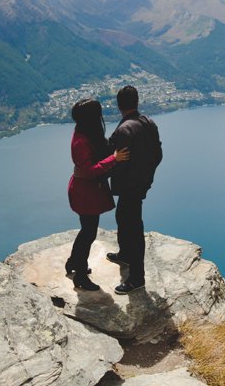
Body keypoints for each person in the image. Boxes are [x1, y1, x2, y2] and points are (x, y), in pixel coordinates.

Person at [66, 98, 130, 291]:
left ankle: (74, 263)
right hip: (84, 191)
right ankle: (80, 276)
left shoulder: (84, 134)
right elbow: (91, 170)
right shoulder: (81, 141)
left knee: (87, 230)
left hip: (85, 189)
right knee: (88, 232)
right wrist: (115, 158)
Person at [107, 85, 163, 295]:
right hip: (141, 183)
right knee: (122, 217)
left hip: (130, 186)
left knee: (133, 229)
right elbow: (158, 155)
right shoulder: (149, 123)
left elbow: (118, 162)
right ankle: (125, 255)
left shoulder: (124, 130)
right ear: (137, 101)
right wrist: (146, 174)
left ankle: (137, 278)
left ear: (119, 105)